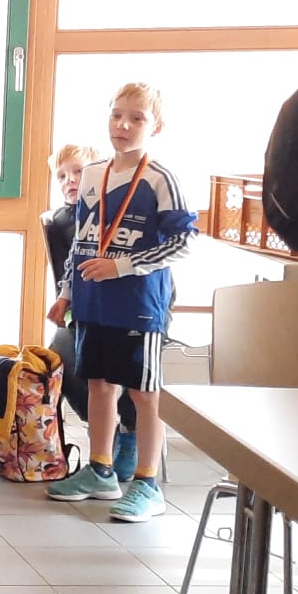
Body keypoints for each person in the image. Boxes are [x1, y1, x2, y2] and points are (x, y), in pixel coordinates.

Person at [44, 84, 196, 523]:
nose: (123, 125)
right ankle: (100, 469)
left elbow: (184, 242)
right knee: (98, 385)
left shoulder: (160, 178)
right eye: (116, 115)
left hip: (139, 304)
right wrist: (66, 294)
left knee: (144, 393)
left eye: (136, 118)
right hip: (93, 302)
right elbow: (82, 241)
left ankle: (147, 483)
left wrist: (123, 266)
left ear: (156, 127)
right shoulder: (94, 174)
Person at [41, 144, 141, 479]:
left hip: (130, 310)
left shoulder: (122, 211)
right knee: (62, 357)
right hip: (84, 313)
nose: (70, 181)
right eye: (61, 176)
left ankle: (130, 433)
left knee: (124, 358)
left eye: (78, 172)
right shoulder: (60, 221)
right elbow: (66, 275)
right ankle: (101, 430)